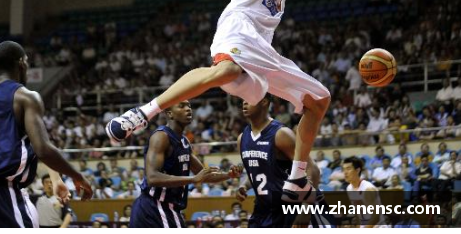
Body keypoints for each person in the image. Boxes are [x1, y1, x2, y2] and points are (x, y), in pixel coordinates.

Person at [107, 0, 331, 201]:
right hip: (239, 27)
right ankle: (142, 114)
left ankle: (296, 179)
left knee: (319, 100)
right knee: (225, 71)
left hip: (262, 50)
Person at [0, 41, 92, 228]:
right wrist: (77, 176)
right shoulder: (25, 97)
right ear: (22, 63)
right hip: (1, 193)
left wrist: (56, 179)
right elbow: (43, 149)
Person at [129, 100, 242, 228]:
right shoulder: (161, 137)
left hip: (165, 208)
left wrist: (228, 175)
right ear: (170, 113)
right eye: (181, 106)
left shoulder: (184, 141)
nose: (188, 109)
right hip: (155, 206)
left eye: (189, 106)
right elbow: (152, 178)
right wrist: (193, 179)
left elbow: (203, 175)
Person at [235, 94, 334, 227]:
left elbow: (312, 169)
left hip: (292, 207)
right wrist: (244, 186)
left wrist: (305, 209)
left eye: (250, 98)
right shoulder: (242, 138)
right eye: (243, 99)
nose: (244, 102)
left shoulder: (281, 134)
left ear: (264, 102)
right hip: (263, 209)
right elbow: (256, 171)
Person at [343, 156, 387, 227]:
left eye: (348, 169)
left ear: (357, 170)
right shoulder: (349, 188)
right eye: (344, 169)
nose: (345, 172)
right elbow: (357, 212)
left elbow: (376, 216)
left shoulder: (368, 188)